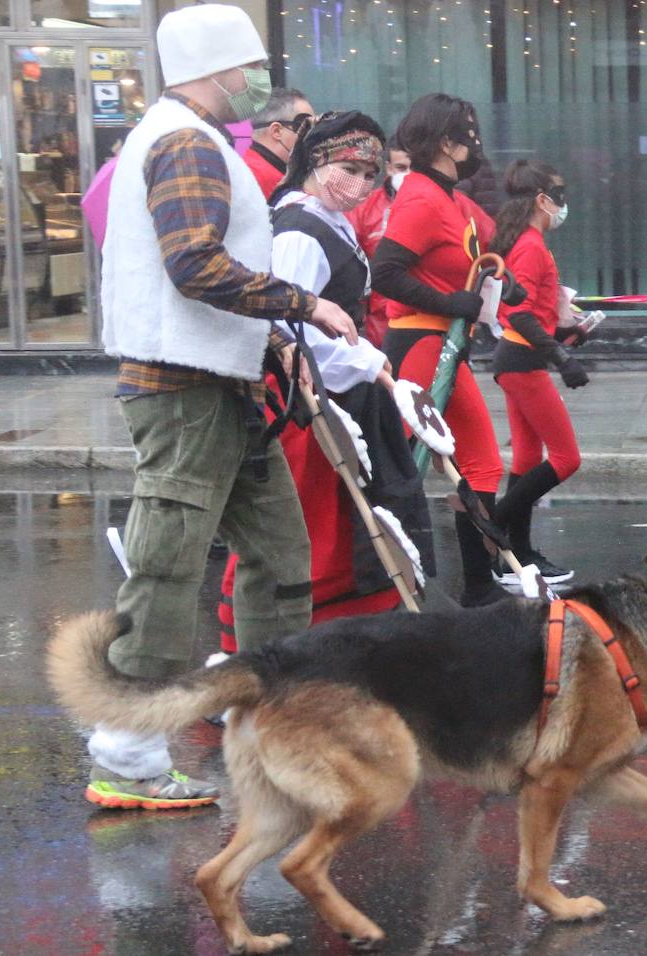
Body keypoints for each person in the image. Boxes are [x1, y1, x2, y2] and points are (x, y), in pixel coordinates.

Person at [87, 3, 359, 810]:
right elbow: (196, 266)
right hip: (186, 389)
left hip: (212, 382)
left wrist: (270, 340)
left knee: (279, 562)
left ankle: (268, 728)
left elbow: (198, 272)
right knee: (171, 568)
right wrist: (303, 309)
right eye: (244, 69)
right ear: (214, 67)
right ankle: (127, 754)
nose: (252, 85)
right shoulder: (186, 142)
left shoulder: (183, 136)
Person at [218, 110, 435, 653]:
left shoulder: (322, 219)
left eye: (371, 174)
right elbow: (289, 327)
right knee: (310, 527)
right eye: (351, 168)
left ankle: (333, 643)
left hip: (333, 391)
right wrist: (364, 363)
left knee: (337, 523)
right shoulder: (299, 228)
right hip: (304, 399)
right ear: (317, 160)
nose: (361, 184)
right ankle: (286, 648)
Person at [371, 93, 508, 607]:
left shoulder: (446, 195)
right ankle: (387, 578)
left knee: (479, 465)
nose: (475, 142)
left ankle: (478, 585)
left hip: (444, 342)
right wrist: (454, 300)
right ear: (447, 142)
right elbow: (385, 272)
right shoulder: (425, 197)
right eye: (468, 132)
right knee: (407, 465)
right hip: (424, 344)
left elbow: (472, 254)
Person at [488, 159, 587, 587]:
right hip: (521, 360)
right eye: (559, 195)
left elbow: (531, 311)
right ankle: (490, 527)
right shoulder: (529, 244)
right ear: (542, 200)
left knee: (528, 461)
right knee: (566, 460)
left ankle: (516, 554)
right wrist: (559, 357)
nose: (564, 204)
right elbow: (516, 310)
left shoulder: (529, 241)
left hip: (520, 357)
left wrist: (568, 335)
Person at [348, 139, 494, 347]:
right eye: (400, 168)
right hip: (381, 323)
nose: (407, 174)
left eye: (411, 167)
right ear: (388, 168)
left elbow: (491, 238)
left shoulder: (451, 202)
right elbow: (357, 266)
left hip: (439, 325)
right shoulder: (366, 208)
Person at [244, 87, 313, 199]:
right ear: (276, 131)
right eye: (306, 127)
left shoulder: (242, 164)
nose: (312, 134)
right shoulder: (263, 179)